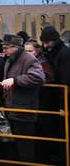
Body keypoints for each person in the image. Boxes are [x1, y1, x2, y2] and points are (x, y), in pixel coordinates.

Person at [0, 34, 45, 163]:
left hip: (24, 110)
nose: (4, 51)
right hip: (12, 108)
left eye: (6, 48)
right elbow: (10, 79)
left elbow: (38, 77)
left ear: (15, 47)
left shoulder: (28, 59)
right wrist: (1, 86)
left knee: (25, 147)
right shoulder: (10, 59)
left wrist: (15, 81)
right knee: (14, 146)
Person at [41, 26, 70, 165]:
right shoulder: (54, 52)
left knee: (62, 132)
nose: (45, 45)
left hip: (60, 100)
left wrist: (62, 105)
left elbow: (65, 81)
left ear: (53, 40)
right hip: (55, 99)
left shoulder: (64, 53)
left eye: (46, 42)